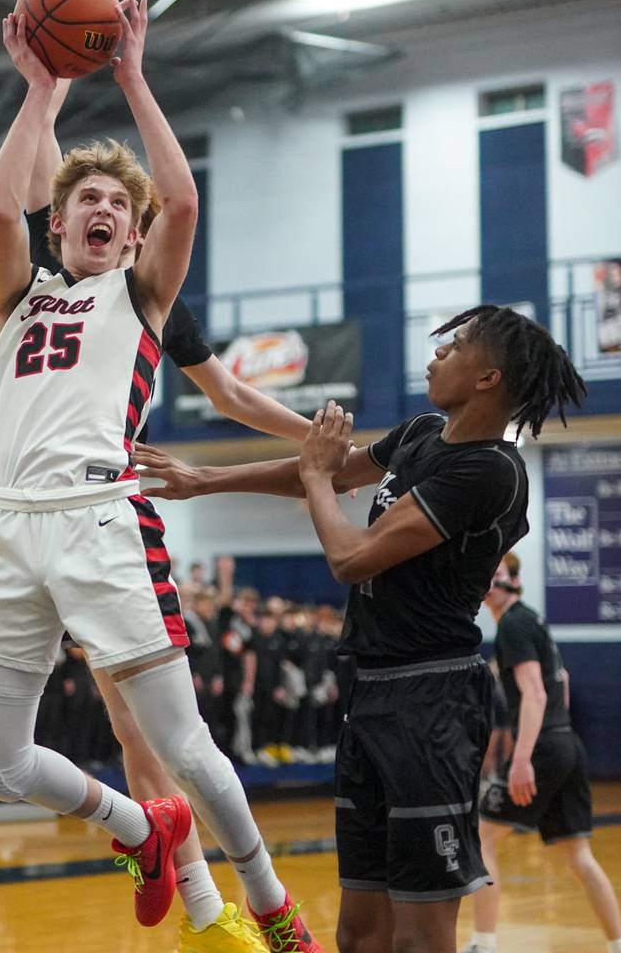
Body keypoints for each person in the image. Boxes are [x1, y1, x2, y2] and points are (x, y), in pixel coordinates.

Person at [0, 0, 311, 953]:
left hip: (98, 518)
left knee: (176, 736)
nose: (100, 207)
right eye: (82, 197)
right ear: (61, 225)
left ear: (130, 239)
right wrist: (42, 89)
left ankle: (268, 905)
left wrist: (131, 77)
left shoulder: (139, 297)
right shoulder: (19, 296)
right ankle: (136, 827)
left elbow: (180, 200)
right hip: (2, 524)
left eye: (114, 206)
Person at [136, 304, 588, 953]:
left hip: (432, 705)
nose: (435, 355)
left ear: (489, 377)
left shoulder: (492, 470)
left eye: (453, 346)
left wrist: (319, 474)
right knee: (359, 933)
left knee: (421, 933)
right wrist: (203, 480)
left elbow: (352, 556)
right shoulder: (422, 433)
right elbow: (336, 471)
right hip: (371, 695)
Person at [463, 552, 621, 953]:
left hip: (545, 747)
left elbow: (536, 691)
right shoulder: (533, 619)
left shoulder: (514, 625)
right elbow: (560, 683)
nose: (491, 581)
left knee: (482, 838)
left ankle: (483, 943)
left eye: (497, 574)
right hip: (566, 741)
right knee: (579, 856)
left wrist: (521, 758)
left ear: (512, 580)